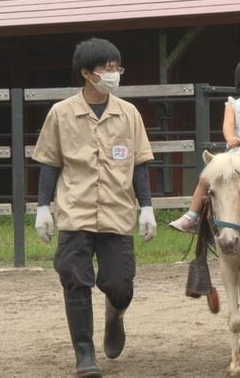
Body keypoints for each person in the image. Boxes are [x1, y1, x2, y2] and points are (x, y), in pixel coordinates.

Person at [32, 37, 157, 378]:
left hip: (117, 214)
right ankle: (84, 354)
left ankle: (114, 316)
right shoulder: (61, 113)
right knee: (75, 278)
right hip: (76, 212)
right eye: (106, 68)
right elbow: (49, 162)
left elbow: (140, 163)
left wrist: (146, 206)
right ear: (86, 73)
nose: (113, 74)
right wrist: (42, 207)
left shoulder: (129, 114)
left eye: (117, 67)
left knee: (120, 284)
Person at [168, 53, 240, 233]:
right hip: (238, 151)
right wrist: (230, 138)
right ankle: (192, 215)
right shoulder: (233, 104)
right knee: (207, 177)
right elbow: (228, 126)